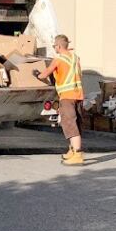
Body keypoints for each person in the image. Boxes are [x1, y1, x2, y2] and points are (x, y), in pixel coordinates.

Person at [36, 34, 84, 166]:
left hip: (67, 97)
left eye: (54, 46)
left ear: (58, 46)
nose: (54, 49)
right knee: (76, 124)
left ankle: (78, 154)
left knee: (70, 125)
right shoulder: (75, 58)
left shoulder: (58, 60)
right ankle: (72, 151)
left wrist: (37, 74)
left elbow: (45, 74)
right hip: (78, 95)